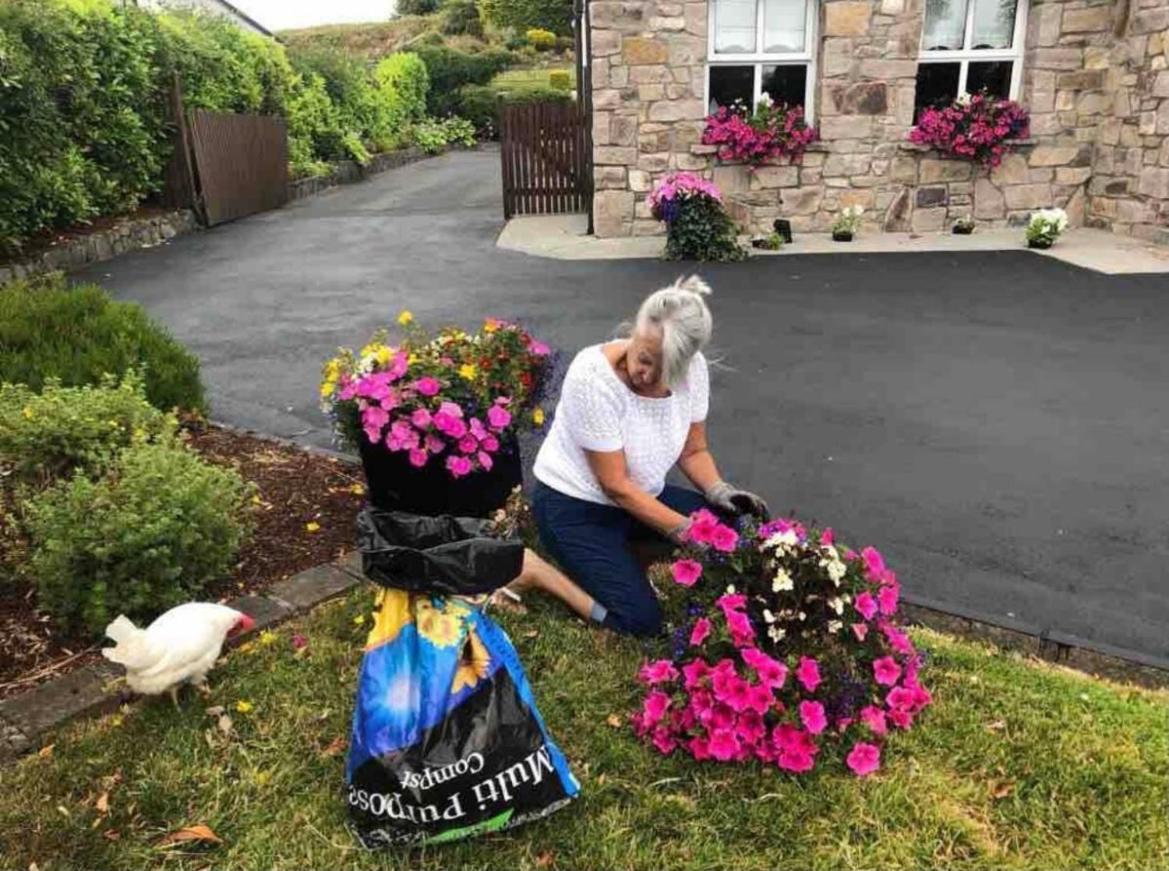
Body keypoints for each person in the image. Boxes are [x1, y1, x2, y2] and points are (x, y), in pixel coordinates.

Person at [518, 275, 768, 636]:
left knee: (741, 529)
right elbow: (615, 486)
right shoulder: (593, 378)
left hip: (642, 497)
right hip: (574, 506)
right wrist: (686, 531)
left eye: (659, 371)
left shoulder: (693, 372)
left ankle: (630, 551)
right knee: (641, 622)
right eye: (642, 358)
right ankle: (539, 573)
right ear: (635, 331)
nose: (643, 373)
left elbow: (693, 449)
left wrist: (719, 491)